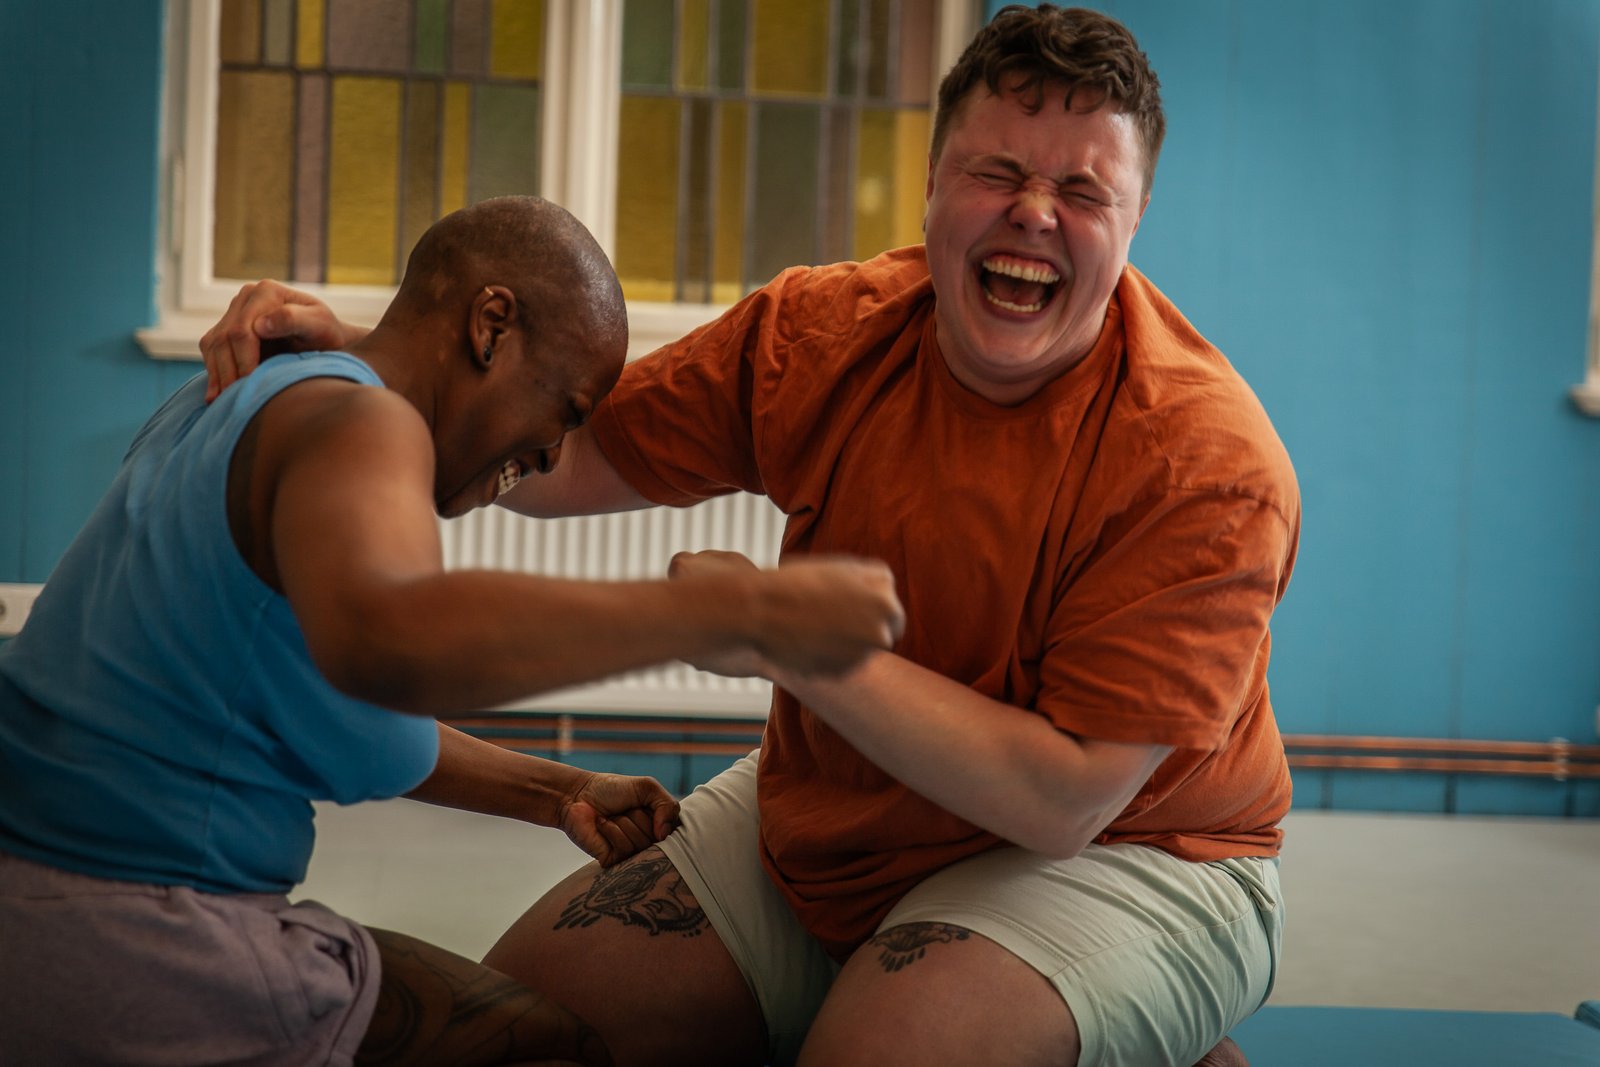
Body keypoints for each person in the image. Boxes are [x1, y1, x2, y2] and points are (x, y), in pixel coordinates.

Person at [198, 5, 1301, 1065]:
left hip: (1123, 850)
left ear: (1135, 220)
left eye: (1083, 190)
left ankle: (1109, 1013)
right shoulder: (823, 331)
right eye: (997, 172)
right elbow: (555, 444)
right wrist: (376, 358)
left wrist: (780, 636)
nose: (1034, 213)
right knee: (518, 1034)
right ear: (931, 183)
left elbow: (1063, 797)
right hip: (836, 824)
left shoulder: (1202, 458)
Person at [0, 195, 907, 1067]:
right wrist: (729, 611)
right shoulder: (363, 422)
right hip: (138, 936)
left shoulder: (236, 394)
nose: (551, 455)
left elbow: (362, 714)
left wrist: (562, 790)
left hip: (37, 909)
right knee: (559, 1047)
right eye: (569, 409)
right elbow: (392, 643)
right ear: (490, 325)